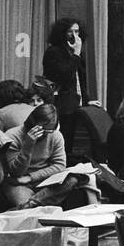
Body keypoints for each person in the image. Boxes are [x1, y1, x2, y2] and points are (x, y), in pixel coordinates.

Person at [42, 18, 100, 155]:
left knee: (73, 143)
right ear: (62, 33)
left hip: (76, 103)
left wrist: (87, 99)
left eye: (77, 31)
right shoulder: (53, 52)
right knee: (63, 143)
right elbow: (65, 75)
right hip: (61, 105)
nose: (75, 35)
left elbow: (80, 79)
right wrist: (76, 55)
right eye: (70, 31)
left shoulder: (76, 53)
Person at [0, 104, 68, 207]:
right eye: (42, 130)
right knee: (22, 204)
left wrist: (31, 177)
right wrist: (28, 145)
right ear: (31, 124)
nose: (46, 134)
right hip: (19, 182)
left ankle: (32, 203)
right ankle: (34, 203)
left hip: (44, 179)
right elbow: (16, 172)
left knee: (72, 180)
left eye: (50, 130)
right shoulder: (12, 136)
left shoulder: (55, 135)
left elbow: (60, 166)